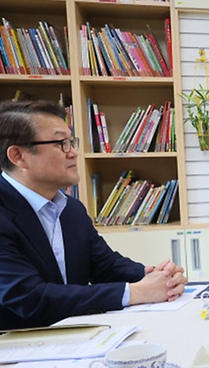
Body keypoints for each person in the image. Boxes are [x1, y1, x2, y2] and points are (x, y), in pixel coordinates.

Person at [0, 99, 187, 331]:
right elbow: (27, 297)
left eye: (72, 142)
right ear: (18, 156)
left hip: (78, 338)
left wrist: (159, 277)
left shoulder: (72, 209)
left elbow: (105, 266)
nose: (74, 152)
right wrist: (134, 292)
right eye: (62, 144)